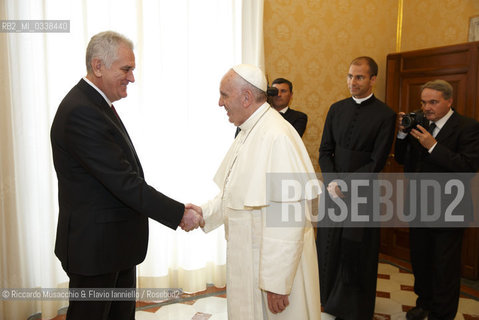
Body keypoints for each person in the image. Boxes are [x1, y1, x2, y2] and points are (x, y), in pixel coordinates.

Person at [50, 31, 203, 320]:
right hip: (95, 250)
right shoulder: (81, 111)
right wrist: (179, 213)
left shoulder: (93, 105)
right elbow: (124, 182)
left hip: (112, 246)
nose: (132, 78)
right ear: (98, 67)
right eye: (126, 69)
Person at [187, 64, 321, 319]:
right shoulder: (249, 130)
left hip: (270, 271)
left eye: (224, 95)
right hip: (251, 261)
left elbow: (289, 216)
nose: (219, 102)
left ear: (246, 97)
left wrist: (277, 282)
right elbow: (234, 192)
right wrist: (203, 213)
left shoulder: (277, 135)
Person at [317, 56, 396, 319]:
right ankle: (326, 299)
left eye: (359, 77)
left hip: (363, 195)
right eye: (350, 76)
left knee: (355, 251)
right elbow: (325, 150)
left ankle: (352, 308)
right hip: (333, 192)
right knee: (328, 245)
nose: (353, 82)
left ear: (373, 79)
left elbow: (377, 161)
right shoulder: (336, 109)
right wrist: (332, 181)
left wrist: (346, 185)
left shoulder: (386, 115)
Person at [394, 80, 479, 320]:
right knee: (420, 263)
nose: (426, 107)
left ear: (449, 101)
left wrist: (433, 147)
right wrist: (401, 133)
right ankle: (424, 304)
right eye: (423, 102)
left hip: (450, 210)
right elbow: (401, 159)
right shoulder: (419, 124)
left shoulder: (468, 127)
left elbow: (468, 167)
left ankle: (441, 315)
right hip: (418, 207)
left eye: (433, 102)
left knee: (445, 270)